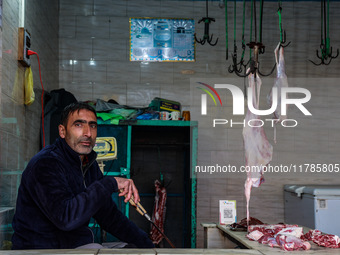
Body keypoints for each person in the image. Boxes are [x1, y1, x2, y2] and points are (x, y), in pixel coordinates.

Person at [12, 102, 154, 249]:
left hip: (74, 246)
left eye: (92, 125)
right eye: (79, 125)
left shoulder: (87, 164)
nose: (87, 133)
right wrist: (110, 183)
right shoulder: (46, 164)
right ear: (62, 131)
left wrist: (149, 247)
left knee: (133, 250)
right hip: (42, 251)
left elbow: (109, 216)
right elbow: (66, 218)